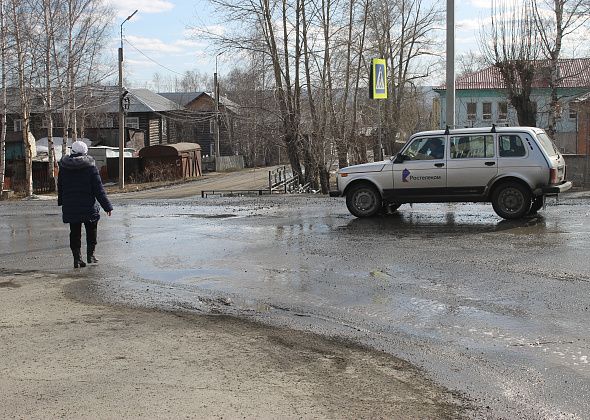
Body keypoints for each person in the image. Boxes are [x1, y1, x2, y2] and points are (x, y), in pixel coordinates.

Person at [58, 140, 113, 268]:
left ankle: (77, 259)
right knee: (91, 230)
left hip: (71, 205)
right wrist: (107, 206)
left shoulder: (64, 167)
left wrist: (61, 201)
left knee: (74, 232)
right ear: (85, 152)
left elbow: (60, 186)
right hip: (88, 206)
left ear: (72, 152)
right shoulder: (91, 168)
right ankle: (91, 256)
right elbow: (98, 189)